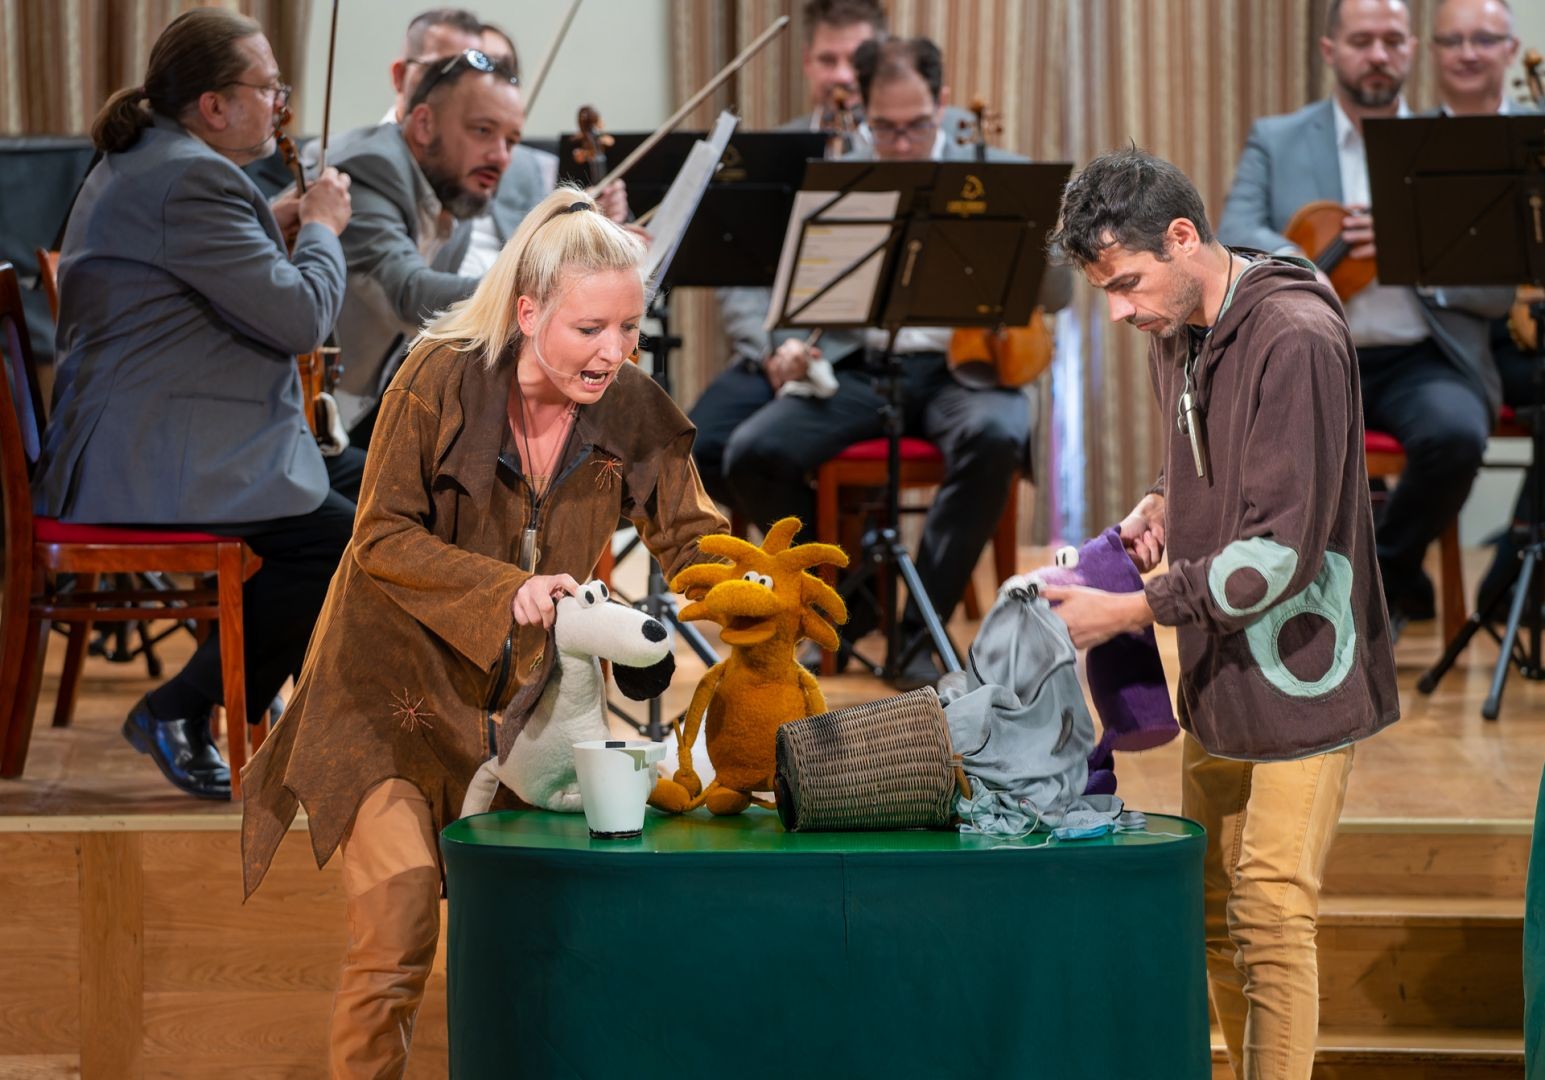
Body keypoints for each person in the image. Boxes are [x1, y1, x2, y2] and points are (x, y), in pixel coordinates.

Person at [239, 185, 726, 1078]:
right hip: (386, 699)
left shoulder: (628, 403)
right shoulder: (437, 377)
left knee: (536, 941)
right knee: (396, 939)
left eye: (629, 328)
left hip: (525, 715)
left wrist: (756, 590)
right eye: (590, 329)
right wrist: (509, 589)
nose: (613, 351)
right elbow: (380, 536)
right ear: (529, 312)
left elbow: (693, 535)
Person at [1045, 147, 1399, 1080]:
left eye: (1125, 284)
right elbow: (1212, 460)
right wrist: (1161, 502)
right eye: (1104, 292)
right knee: (1209, 909)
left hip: (1305, 669)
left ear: (1181, 236)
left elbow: (1280, 550)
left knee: (1271, 914)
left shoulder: (1296, 335)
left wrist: (1131, 610)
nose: (1118, 311)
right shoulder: (1177, 326)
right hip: (1221, 665)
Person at [31, 8, 356, 800]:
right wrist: (321, 229)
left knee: (372, 488)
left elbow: (189, 258)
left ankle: (281, 697)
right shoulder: (192, 178)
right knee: (338, 537)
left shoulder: (158, 156)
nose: (279, 105)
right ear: (214, 105)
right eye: (268, 89)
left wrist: (271, 221)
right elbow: (300, 320)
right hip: (144, 456)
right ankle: (182, 706)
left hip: (144, 434)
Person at [706, 36, 1072, 689]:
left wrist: (1033, 235)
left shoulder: (1000, 171)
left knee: (996, 434)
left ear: (943, 102)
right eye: (885, 128)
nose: (901, 145)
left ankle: (917, 633)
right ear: (862, 113)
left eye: (917, 126)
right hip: (863, 367)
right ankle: (858, 606)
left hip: (964, 371)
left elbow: (1060, 294)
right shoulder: (841, 180)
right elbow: (800, 281)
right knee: (751, 453)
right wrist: (787, 344)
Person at [1217, 0, 1514, 636]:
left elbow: (1494, 289)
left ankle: (1378, 578)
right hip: (1313, 357)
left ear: (1412, 49)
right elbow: (1234, 231)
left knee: (1456, 436)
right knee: (1270, 453)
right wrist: (1304, 265)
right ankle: (1288, 594)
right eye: (1361, 41)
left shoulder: (1452, 145)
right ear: (1330, 50)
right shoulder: (1278, 138)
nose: (1378, 55)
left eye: (1392, 40)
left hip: (1422, 360)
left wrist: (1415, 252)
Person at [1426, 0, 1539, 613]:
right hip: (1444, 348)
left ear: (1510, 48)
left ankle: (1514, 566)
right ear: (1433, 51)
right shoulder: (1407, 141)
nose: (1468, 53)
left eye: (1485, 39)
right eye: (1453, 40)